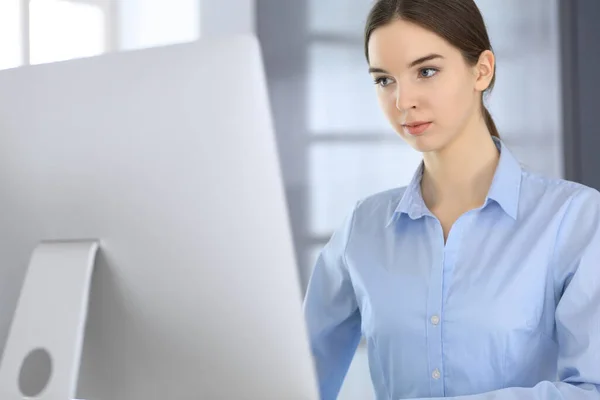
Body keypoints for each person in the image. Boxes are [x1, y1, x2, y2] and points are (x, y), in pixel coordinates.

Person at [302, 0, 600, 399]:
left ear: (482, 70)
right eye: (384, 80)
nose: (402, 100)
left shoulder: (574, 220)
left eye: (426, 71)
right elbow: (298, 380)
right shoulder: (363, 228)